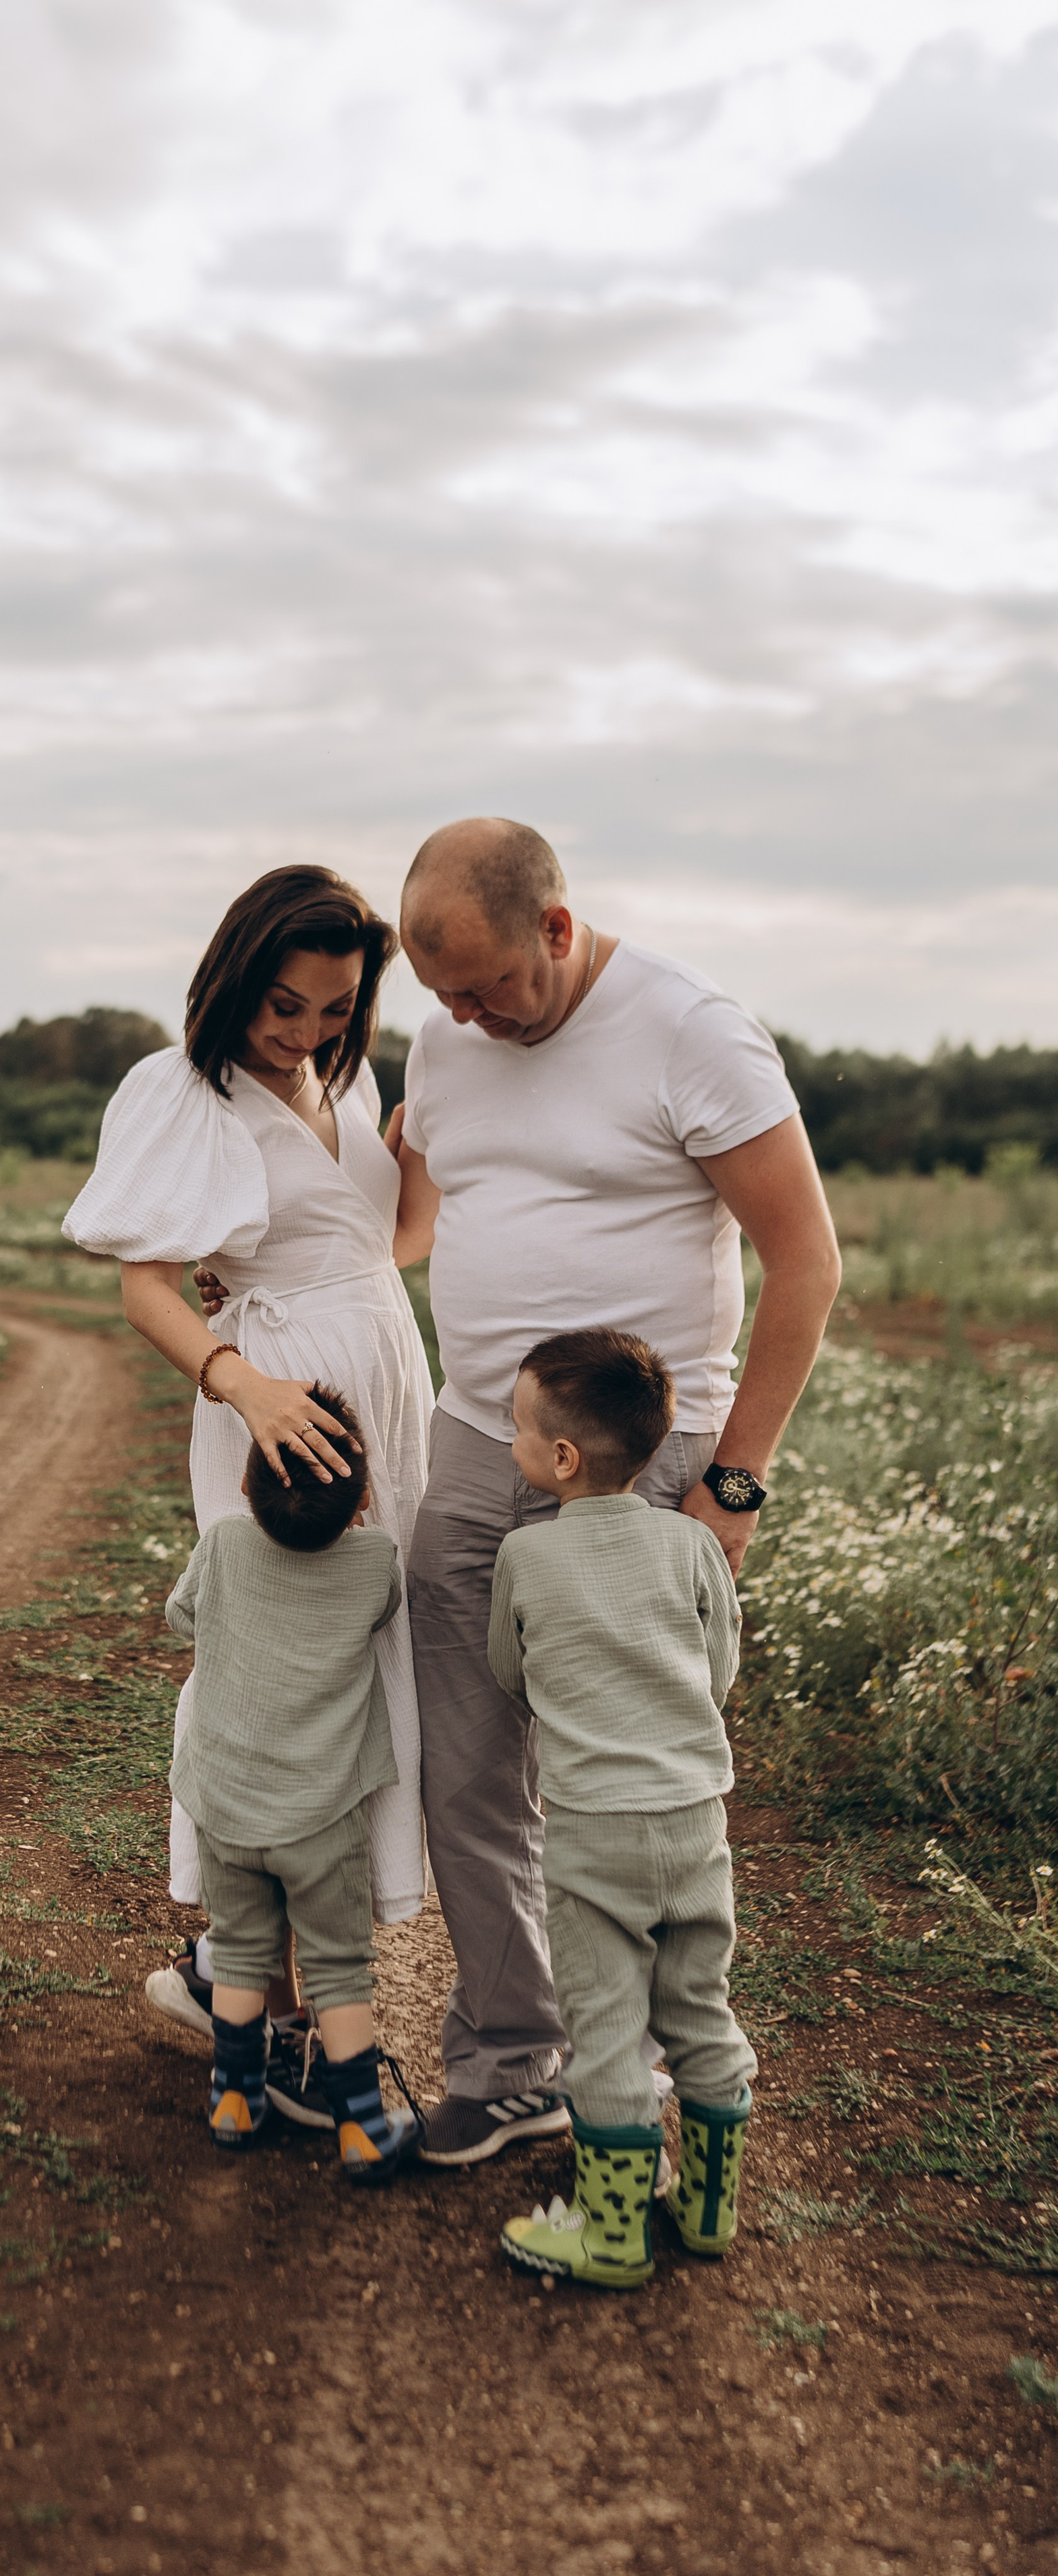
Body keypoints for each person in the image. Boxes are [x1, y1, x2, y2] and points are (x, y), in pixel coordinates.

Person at [391, 816, 839, 2165]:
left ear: (556, 926)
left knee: (616, 1785)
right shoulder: (445, 1041)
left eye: (487, 987)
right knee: (468, 1770)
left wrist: (733, 1485)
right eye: (442, 996)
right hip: (475, 1441)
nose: (466, 1019)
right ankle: (510, 2059)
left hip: (641, 1467)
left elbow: (803, 1262)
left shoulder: (692, 1031)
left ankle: (633, 2072)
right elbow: (423, 1207)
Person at [63, 865, 435, 2127]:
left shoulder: (349, 1082)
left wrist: (423, 1160)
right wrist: (246, 1385)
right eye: (285, 1005)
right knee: (282, 1670)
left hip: (383, 1386)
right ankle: (262, 2004)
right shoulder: (182, 1091)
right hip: (275, 1408)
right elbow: (147, 1288)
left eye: (335, 1008)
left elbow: (377, 1249)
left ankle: (240, 1973)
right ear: (234, 978)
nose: (307, 1031)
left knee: (372, 1655)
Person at [490, 1329, 755, 2287]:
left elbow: (510, 1673)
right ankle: (709, 2211)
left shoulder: (524, 1555)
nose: (511, 1440)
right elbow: (718, 1669)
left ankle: (609, 2237)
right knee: (699, 2009)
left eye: (518, 1429)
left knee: (603, 2031)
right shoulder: (691, 1543)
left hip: (594, 1829)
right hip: (694, 1821)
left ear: (561, 1458)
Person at [165, 1386, 424, 2182]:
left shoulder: (224, 1546)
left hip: (226, 1807)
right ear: (363, 1501)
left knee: (243, 1952)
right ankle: (362, 2128)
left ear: (244, 1486)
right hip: (321, 1816)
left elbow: (182, 1616)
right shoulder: (374, 1563)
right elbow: (379, 1614)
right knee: (338, 1967)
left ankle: (234, 2102)